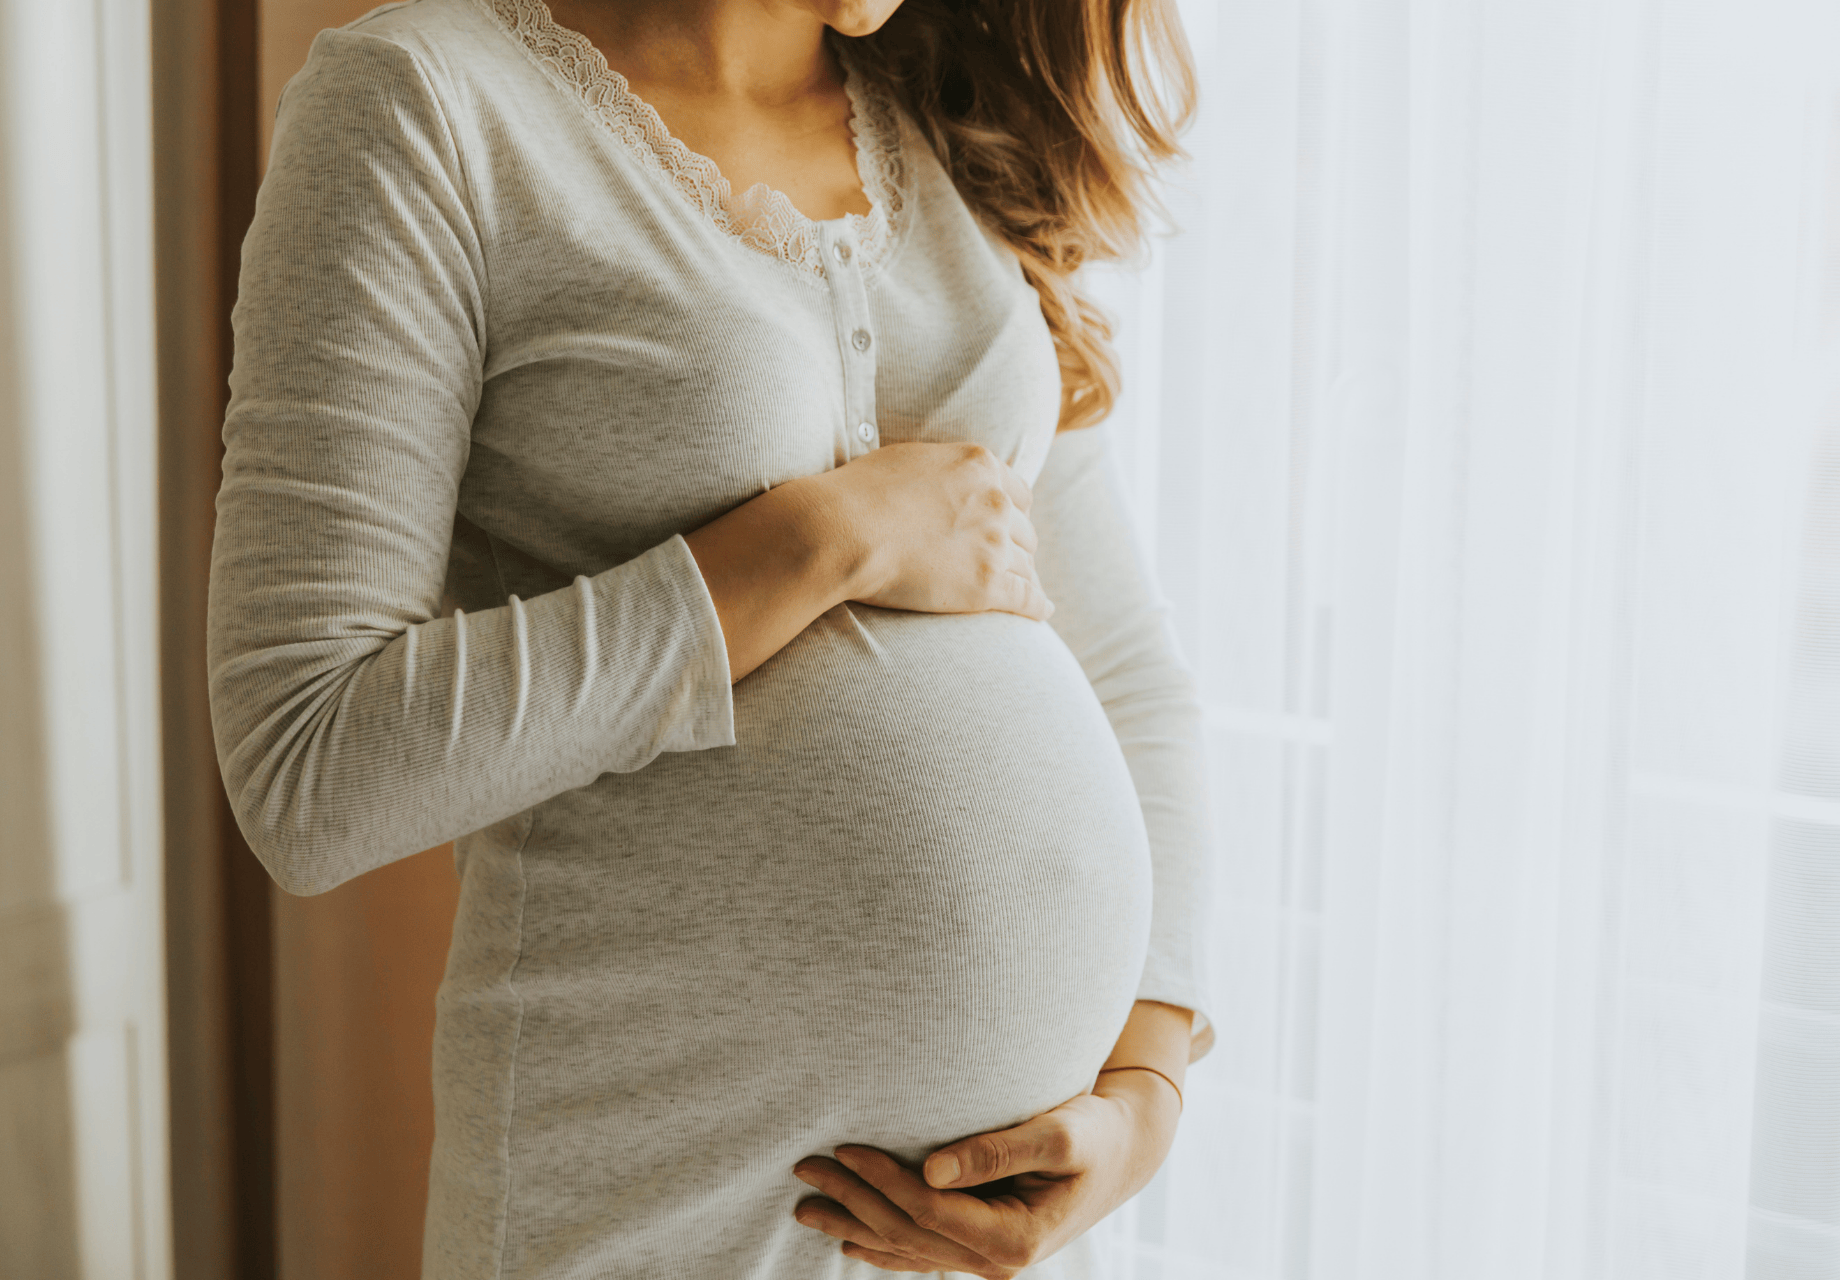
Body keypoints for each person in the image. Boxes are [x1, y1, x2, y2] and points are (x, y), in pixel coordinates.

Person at [207, 0, 1213, 1272]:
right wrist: (812, 546)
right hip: (648, 1205)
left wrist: (1142, 1096)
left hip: (980, 1237)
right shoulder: (425, 103)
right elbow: (307, 764)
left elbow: (1128, 675)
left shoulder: (950, 121)